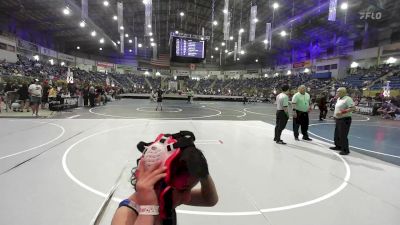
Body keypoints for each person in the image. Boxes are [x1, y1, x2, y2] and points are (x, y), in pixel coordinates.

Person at [111, 146, 218, 225]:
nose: (187, 198)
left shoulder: (165, 199)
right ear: (157, 183)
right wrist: (148, 209)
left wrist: (202, 171)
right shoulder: (125, 215)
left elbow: (208, 200)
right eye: (182, 190)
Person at [329, 87, 356, 155]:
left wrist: (342, 112)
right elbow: (338, 108)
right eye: (337, 91)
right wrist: (334, 116)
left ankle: (345, 150)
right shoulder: (339, 99)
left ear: (343, 92)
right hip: (338, 119)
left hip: (345, 119)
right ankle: (338, 146)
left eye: (338, 92)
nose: (336, 93)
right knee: (337, 134)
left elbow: (353, 108)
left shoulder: (348, 99)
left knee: (343, 135)